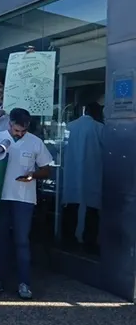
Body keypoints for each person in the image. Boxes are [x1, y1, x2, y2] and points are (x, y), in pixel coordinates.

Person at [0, 108, 53, 300]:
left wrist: (32, 175)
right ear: (9, 124)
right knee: (0, 240)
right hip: (0, 196)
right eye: (16, 130)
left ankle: (24, 283)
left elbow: (47, 170)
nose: (19, 134)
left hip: (24, 198)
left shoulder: (35, 142)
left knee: (22, 241)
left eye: (23, 131)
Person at [61, 102, 103, 255]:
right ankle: (89, 240)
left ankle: (68, 238)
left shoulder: (70, 127)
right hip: (93, 172)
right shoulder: (100, 128)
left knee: (71, 206)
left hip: (71, 172)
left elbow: (61, 147)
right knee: (92, 209)